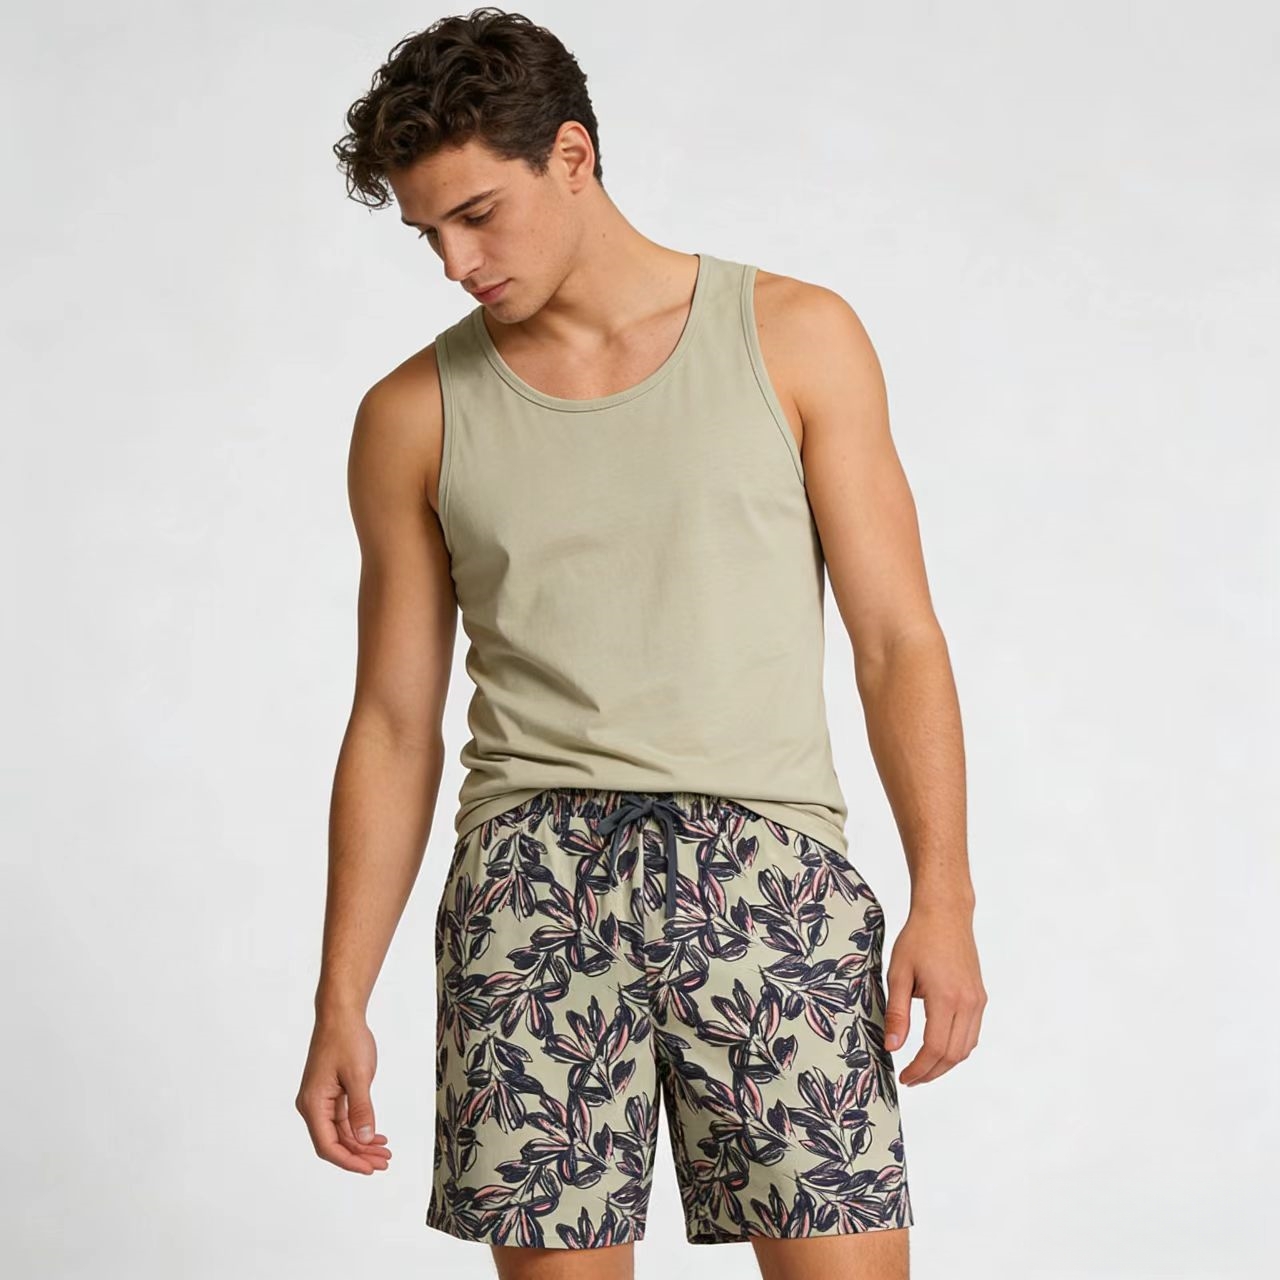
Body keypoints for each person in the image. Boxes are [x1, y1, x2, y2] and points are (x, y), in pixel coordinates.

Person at [296, 8, 986, 1278]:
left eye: (476, 214)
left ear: (571, 155)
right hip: (527, 894)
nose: (454, 262)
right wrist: (340, 993)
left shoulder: (793, 335)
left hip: (767, 874)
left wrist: (942, 895)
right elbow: (392, 722)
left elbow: (897, 638)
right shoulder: (410, 413)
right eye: (427, 233)